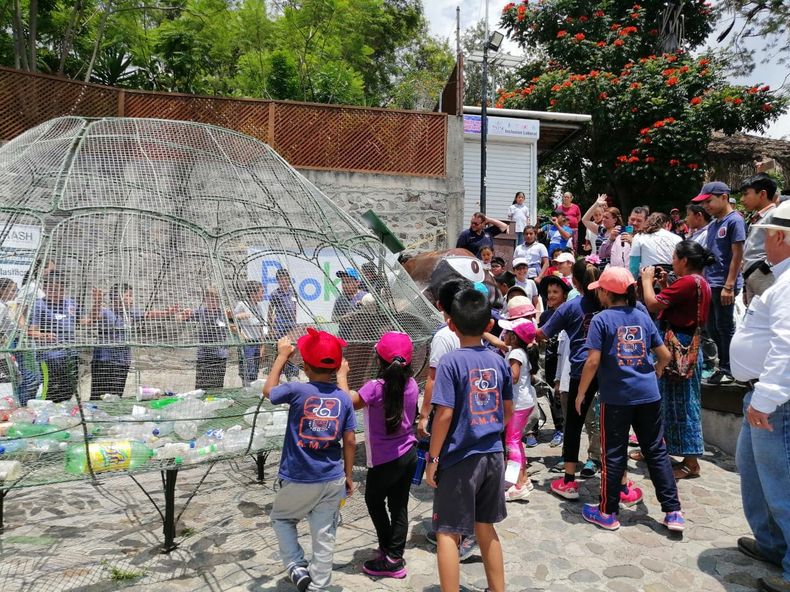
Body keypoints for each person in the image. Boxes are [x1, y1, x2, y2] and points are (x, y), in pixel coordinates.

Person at [576, 267, 684, 532]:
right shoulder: (642, 315)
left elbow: (592, 361)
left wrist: (581, 393)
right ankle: (673, 512)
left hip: (616, 399)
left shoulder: (601, 320)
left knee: (613, 454)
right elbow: (665, 355)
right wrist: (655, 373)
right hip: (648, 396)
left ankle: (608, 513)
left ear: (605, 292)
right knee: (656, 451)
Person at [425, 286, 512, 592]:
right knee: (485, 527)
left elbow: (444, 415)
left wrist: (433, 458)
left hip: (461, 458)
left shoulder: (450, 362)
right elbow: (508, 409)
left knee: (448, 532)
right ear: (489, 326)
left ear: (451, 323)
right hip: (494, 454)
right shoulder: (499, 360)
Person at [263, 328, 356, 592]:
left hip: (297, 476)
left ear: (304, 366)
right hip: (332, 477)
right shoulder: (344, 399)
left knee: (282, 519)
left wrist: (282, 356)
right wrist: (348, 476)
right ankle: (321, 586)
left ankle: (295, 565)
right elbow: (350, 441)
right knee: (324, 534)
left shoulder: (296, 390)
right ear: (337, 367)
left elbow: (269, 391)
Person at [730, 200, 790, 592]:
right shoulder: (780, 279)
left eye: (767, 235)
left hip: (774, 405)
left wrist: (766, 400)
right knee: (753, 472)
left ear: (782, 236)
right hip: (759, 397)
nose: (763, 243)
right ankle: (772, 544)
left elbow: (787, 345)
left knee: (781, 484)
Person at [342, 332, 417, 579]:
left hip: (384, 461)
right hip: (408, 454)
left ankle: (392, 557)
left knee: (374, 501)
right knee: (399, 505)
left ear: (378, 359)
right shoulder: (413, 384)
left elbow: (346, 402)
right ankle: (393, 552)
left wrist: (341, 375)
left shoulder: (374, 388)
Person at [417, 278, 480, 562]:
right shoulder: (477, 333)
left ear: (440, 305)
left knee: (450, 473)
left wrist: (424, 415)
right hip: (476, 414)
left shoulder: (444, 336)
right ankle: (463, 527)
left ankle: (458, 532)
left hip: (451, 413)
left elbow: (432, 380)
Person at [641, 241, 713, 479]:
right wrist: (664, 285)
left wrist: (647, 280)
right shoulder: (698, 282)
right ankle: (657, 449)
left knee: (684, 403)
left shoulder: (688, 282)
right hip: (686, 342)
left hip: (679, 346)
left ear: (683, 260)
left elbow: (652, 303)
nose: (672, 262)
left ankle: (691, 462)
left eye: (674, 258)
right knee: (666, 401)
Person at [537, 261, 605, 499]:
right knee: (610, 423)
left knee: (574, 425)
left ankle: (568, 481)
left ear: (574, 283)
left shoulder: (570, 307)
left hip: (581, 370)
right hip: (609, 370)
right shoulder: (609, 303)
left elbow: (542, 333)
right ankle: (617, 478)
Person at [691, 181, 745, 385]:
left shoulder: (734, 221)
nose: (705, 206)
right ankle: (722, 366)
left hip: (724, 283)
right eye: (703, 203)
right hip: (710, 282)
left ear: (724, 197)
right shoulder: (714, 224)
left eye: (709, 201)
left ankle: (729, 368)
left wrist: (729, 285)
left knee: (724, 326)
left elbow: (737, 254)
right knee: (712, 327)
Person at [90, 283, 179, 399]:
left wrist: (167, 313)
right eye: (129, 295)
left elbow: (148, 314)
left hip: (122, 362)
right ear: (118, 297)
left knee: (115, 396)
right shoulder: (106, 312)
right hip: (104, 361)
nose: (132, 299)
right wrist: (97, 301)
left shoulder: (129, 313)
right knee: (98, 396)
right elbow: (93, 317)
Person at [499, 317, 537, 501]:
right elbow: (499, 343)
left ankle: (517, 485)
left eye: (507, 333)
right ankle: (522, 478)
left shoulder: (515, 355)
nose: (503, 335)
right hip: (525, 402)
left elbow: (513, 377)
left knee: (511, 442)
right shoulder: (519, 351)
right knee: (516, 441)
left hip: (518, 404)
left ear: (514, 338)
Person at [28, 272, 80, 402]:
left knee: (68, 387)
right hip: (49, 355)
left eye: (58, 289)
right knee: (51, 387)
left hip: (69, 354)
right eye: (51, 289)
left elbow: (84, 321)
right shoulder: (39, 304)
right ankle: (43, 416)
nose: (55, 292)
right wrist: (44, 335)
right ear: (45, 288)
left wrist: (97, 302)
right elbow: (31, 332)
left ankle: (62, 414)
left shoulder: (71, 303)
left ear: (64, 288)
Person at [538, 275, 572, 449]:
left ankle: (566, 430)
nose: (550, 295)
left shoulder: (570, 313)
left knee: (564, 398)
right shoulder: (545, 316)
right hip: (551, 360)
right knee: (553, 396)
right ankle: (559, 428)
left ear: (565, 295)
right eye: (549, 292)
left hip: (565, 364)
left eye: (555, 292)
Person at [739, 173, 779, 303]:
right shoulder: (758, 217)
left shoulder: (774, 215)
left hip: (765, 277)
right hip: (752, 277)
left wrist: (763, 269)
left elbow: (782, 247)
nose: (742, 199)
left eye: (746, 194)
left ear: (762, 194)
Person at [183, 287, 230, 390]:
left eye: (215, 300)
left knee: (217, 384)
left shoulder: (224, 314)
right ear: (205, 300)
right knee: (202, 384)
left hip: (219, 354)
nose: (212, 302)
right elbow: (184, 317)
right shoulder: (201, 312)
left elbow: (234, 320)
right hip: (204, 354)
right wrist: (185, 314)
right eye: (210, 299)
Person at [269, 269, 300, 380]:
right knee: (280, 349)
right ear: (278, 281)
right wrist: (271, 327)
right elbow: (270, 310)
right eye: (281, 280)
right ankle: (279, 374)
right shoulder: (275, 294)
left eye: (286, 279)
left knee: (293, 350)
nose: (284, 282)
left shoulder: (293, 292)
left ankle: (292, 374)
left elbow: (295, 308)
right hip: (280, 325)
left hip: (291, 325)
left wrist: (295, 323)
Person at [234, 280, 266, 387]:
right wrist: (242, 315)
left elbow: (261, 326)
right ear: (253, 293)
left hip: (257, 341)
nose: (263, 294)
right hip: (247, 342)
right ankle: (246, 388)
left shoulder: (259, 307)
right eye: (261, 292)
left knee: (255, 369)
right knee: (247, 368)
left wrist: (262, 345)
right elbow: (231, 319)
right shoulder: (242, 304)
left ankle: (253, 388)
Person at [629, 213, 682, 277]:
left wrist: (633, 280)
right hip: (671, 277)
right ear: (666, 224)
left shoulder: (639, 236)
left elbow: (634, 265)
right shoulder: (677, 238)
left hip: (649, 278)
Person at [332, 270, 368, 341]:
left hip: (362, 337)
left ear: (357, 282)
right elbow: (333, 318)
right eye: (343, 282)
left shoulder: (365, 297)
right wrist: (342, 318)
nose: (345, 285)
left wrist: (355, 317)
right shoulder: (340, 299)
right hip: (343, 336)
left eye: (348, 282)